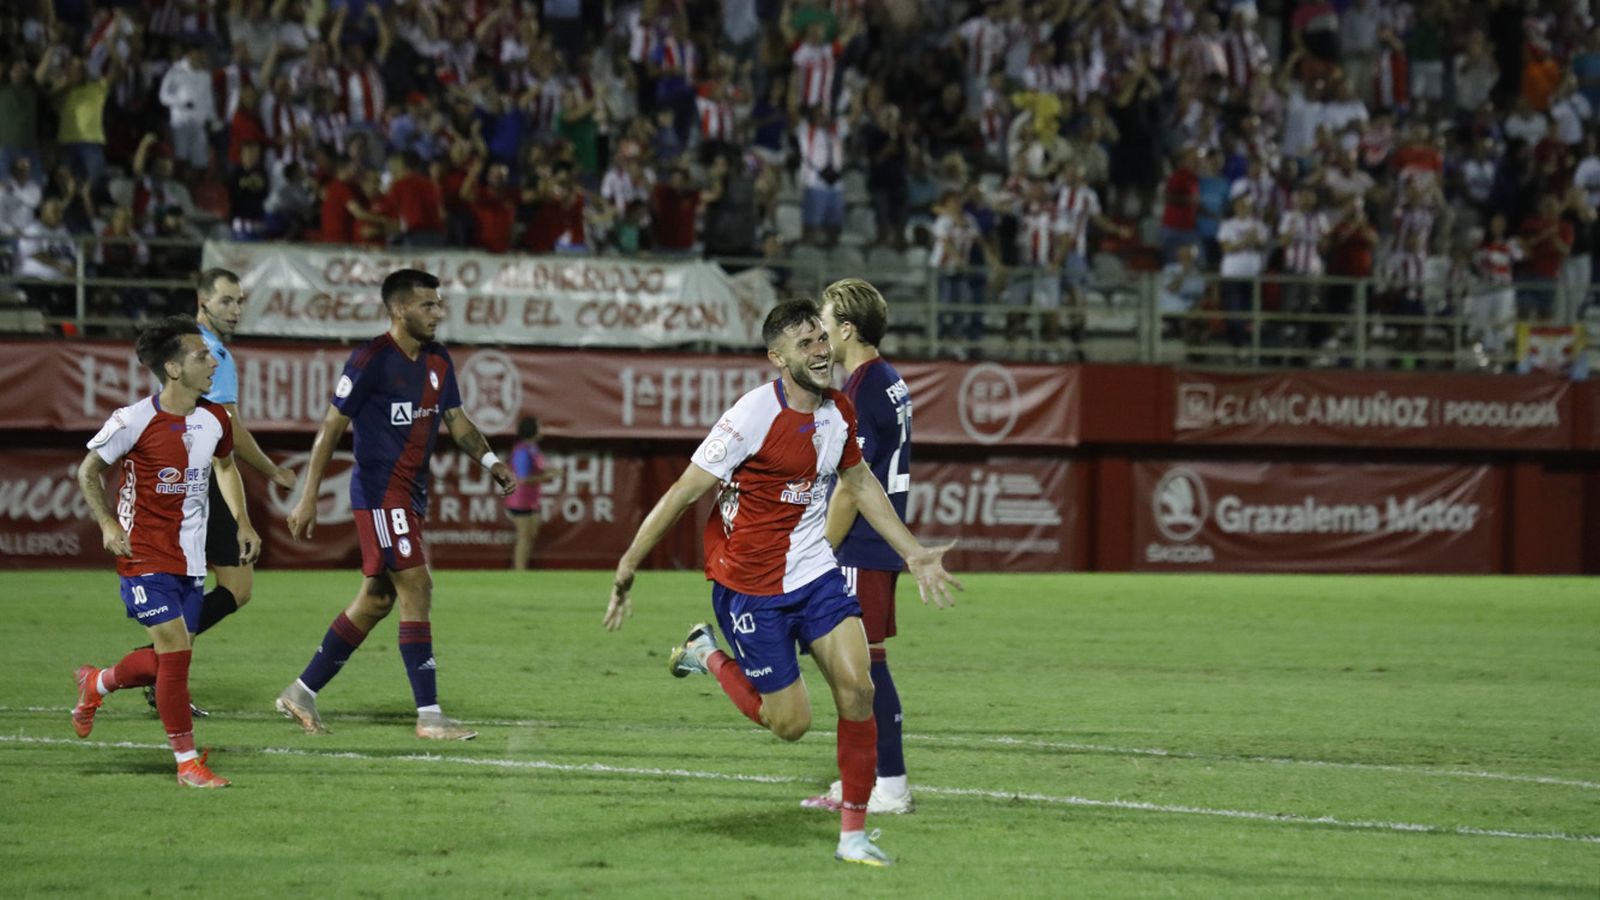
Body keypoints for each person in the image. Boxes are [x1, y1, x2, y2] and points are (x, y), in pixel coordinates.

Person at [602, 298, 961, 867]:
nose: (820, 351)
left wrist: (914, 554)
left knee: (859, 688)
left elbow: (861, 482)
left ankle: (853, 838)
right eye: (805, 344)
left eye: (821, 339)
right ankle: (708, 654)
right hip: (749, 587)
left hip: (815, 571)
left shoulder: (838, 409)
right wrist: (627, 566)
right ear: (777, 358)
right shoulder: (751, 416)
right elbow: (683, 493)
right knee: (790, 724)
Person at [275, 269, 516, 740]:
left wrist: (490, 460)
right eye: (428, 305)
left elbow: (458, 422)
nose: (438, 313)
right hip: (382, 494)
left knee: (378, 599)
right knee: (417, 587)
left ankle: (301, 692)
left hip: (410, 496)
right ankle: (429, 716)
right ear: (399, 309)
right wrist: (307, 496)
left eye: (438, 304)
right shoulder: (371, 359)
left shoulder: (438, 360)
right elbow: (331, 428)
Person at [70, 314, 261, 788]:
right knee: (176, 652)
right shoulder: (133, 420)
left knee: (165, 659)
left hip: (191, 558)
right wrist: (108, 523)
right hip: (143, 554)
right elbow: (88, 471)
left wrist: (242, 520)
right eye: (201, 355)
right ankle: (187, 763)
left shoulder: (215, 418)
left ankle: (97, 682)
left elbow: (226, 468)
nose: (213, 360)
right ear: (173, 368)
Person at [795, 279, 917, 817]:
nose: (819, 331)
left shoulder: (865, 388)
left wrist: (819, 549)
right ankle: (862, 781)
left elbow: (851, 484)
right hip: (871, 545)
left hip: (860, 547)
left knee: (863, 668)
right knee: (856, 666)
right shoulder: (887, 380)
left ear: (847, 327)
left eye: (824, 320)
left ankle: (885, 785)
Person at [506, 415, 560, 570]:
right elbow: (522, 478)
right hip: (519, 500)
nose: (542, 430)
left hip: (532, 500)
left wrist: (551, 470)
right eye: (539, 427)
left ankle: (521, 566)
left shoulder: (533, 449)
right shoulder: (522, 451)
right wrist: (546, 476)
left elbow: (540, 467)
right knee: (523, 537)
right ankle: (519, 571)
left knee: (531, 536)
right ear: (532, 430)